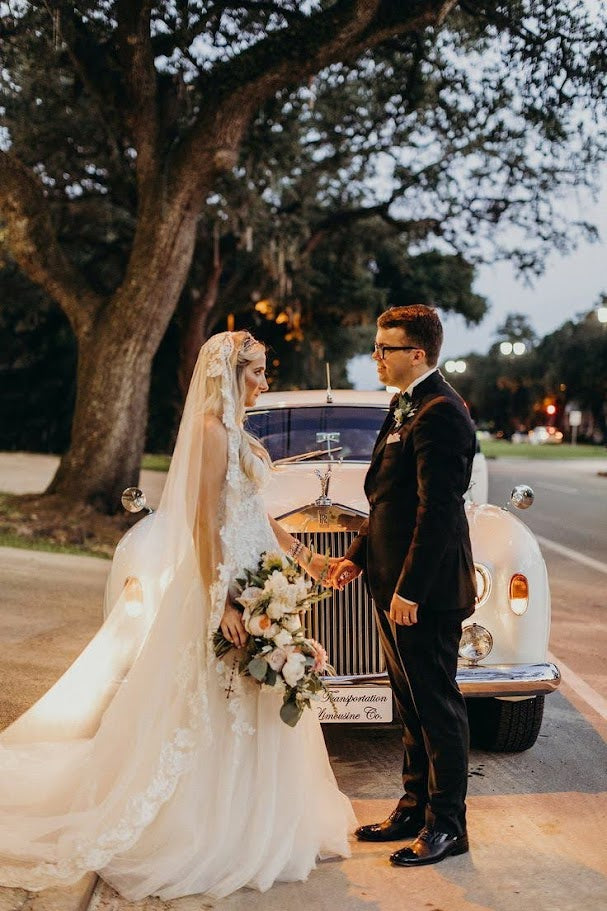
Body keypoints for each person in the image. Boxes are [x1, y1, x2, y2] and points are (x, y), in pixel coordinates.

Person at [0, 331, 355, 900]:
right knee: (216, 700)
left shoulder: (241, 432)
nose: (266, 381)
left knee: (257, 700)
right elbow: (203, 523)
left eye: (266, 371)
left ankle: (255, 816)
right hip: (230, 587)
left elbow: (257, 513)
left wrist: (309, 560)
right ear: (230, 375)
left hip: (263, 581)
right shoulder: (213, 434)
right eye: (259, 372)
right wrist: (227, 603)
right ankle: (206, 825)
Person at [330, 305, 477, 867]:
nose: (375, 357)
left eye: (383, 348)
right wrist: (357, 559)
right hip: (390, 583)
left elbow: (437, 512)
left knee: (437, 707)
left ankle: (449, 825)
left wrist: (411, 590)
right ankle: (414, 805)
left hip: (426, 592)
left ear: (416, 353)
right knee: (410, 705)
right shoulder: (403, 405)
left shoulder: (441, 411)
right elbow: (386, 500)